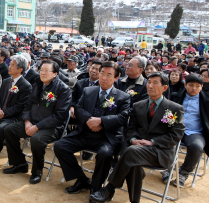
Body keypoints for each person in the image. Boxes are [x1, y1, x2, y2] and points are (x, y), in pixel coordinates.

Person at [90, 72, 184, 203]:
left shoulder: (175, 108)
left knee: (131, 153)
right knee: (133, 160)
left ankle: (109, 188)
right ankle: (134, 201)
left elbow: (176, 135)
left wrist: (152, 142)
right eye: (149, 82)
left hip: (160, 151)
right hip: (137, 149)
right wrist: (133, 139)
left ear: (165, 88)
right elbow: (131, 128)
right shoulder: (138, 106)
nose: (150, 86)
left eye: (155, 83)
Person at [55, 61, 130, 196]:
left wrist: (100, 121)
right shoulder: (88, 91)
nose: (104, 77)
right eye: (102, 73)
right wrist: (89, 120)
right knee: (60, 146)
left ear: (116, 78)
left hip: (106, 137)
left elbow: (123, 118)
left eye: (109, 75)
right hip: (85, 133)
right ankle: (82, 179)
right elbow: (78, 108)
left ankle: (95, 189)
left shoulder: (122, 97)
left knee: (106, 154)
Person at [1, 60, 71, 184]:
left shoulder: (63, 89)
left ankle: (37, 172)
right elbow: (27, 105)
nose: (42, 73)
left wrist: (37, 127)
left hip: (52, 127)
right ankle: (20, 163)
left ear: (55, 74)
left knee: (36, 139)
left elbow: (59, 116)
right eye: (41, 70)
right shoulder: (37, 83)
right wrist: (27, 121)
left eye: (46, 71)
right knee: (9, 129)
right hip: (32, 122)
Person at [168, 73, 209, 186]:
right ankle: (167, 169)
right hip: (176, 129)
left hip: (195, 132)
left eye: (197, 86)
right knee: (167, 141)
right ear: (185, 85)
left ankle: (184, 173)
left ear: (202, 86)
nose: (194, 88)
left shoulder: (206, 101)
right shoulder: (176, 96)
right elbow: (167, 112)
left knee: (196, 146)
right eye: (191, 85)